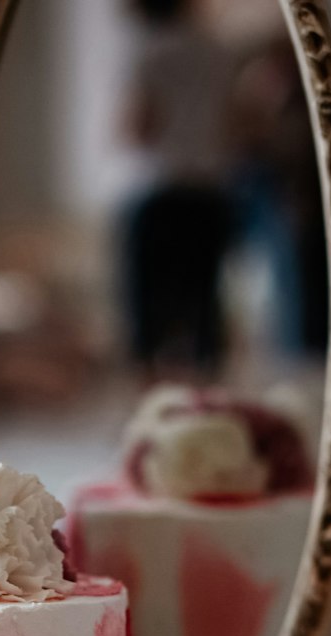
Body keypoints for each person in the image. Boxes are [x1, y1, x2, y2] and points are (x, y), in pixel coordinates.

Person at [120, 0, 238, 378]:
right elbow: (237, 122)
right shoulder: (221, 52)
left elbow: (138, 127)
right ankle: (208, 396)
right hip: (210, 192)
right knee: (205, 301)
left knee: (149, 312)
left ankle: (153, 402)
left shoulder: (148, 53)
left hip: (163, 191)